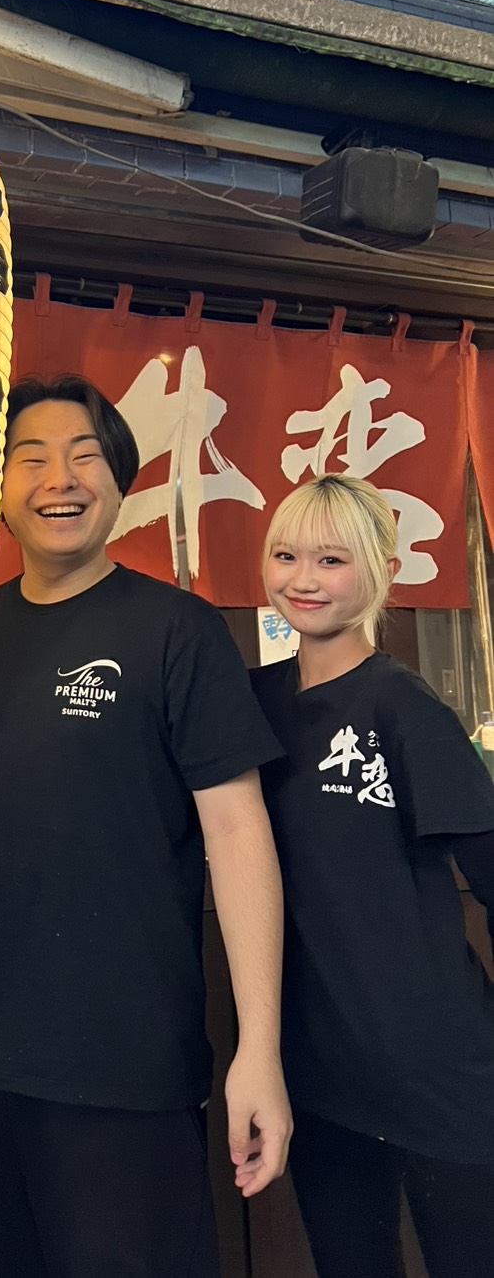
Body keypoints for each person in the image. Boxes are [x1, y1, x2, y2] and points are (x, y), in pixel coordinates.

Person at [0, 374, 292, 1278]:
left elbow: (238, 834)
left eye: (83, 457)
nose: (58, 479)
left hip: (123, 1059)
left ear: (120, 481)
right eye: (29, 459)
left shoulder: (176, 630)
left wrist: (257, 1049)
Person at [252, 473, 494, 1278]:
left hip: (439, 1064)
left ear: (382, 568)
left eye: (332, 559)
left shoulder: (402, 704)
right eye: (286, 555)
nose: (304, 578)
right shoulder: (253, 702)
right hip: (321, 1071)